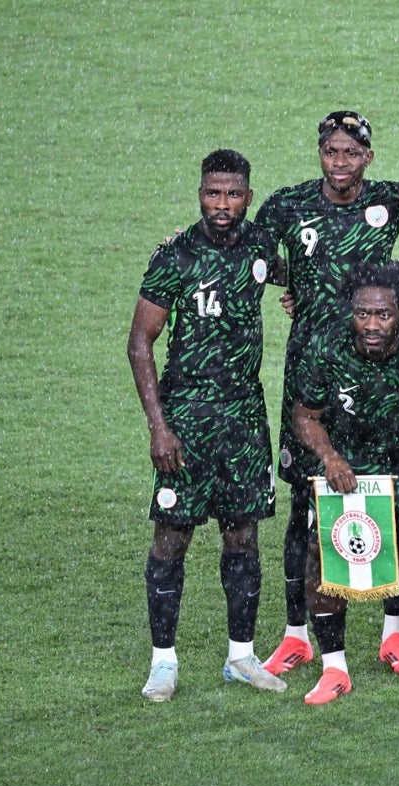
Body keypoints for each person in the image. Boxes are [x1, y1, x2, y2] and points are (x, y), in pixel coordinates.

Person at [256, 111, 399, 678]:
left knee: (390, 487)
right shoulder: (287, 205)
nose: (339, 163)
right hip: (314, 370)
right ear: (319, 151)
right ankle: (297, 634)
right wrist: (290, 286)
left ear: (368, 155)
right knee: (306, 503)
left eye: (350, 153)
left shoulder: (393, 200)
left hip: (383, 364)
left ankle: (395, 633)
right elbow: (251, 252)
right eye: (330, 152)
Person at [128, 149, 286, 701]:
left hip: (244, 418)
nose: (222, 204)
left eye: (233, 194)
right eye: (212, 193)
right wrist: (158, 426)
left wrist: (291, 291)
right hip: (186, 422)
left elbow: (289, 275)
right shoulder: (174, 255)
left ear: (248, 195)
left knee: (243, 536)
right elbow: (139, 342)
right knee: (172, 538)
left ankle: (241, 657)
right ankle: (163, 664)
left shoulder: (262, 245)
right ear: (199, 192)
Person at [290, 262, 399, 706]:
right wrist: (329, 457)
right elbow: (304, 417)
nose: (372, 325)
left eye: (383, 315)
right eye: (363, 314)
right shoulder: (325, 343)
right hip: (353, 461)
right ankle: (334, 668)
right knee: (318, 547)